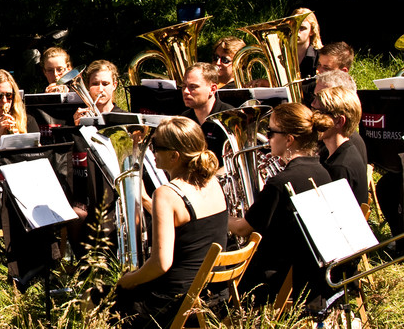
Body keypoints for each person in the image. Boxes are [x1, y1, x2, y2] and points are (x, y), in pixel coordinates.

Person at [114, 117, 227, 329]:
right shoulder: (213, 182)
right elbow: (189, 225)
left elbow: (161, 264)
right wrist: (147, 201)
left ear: (174, 156)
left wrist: (128, 280)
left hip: (177, 304)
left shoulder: (167, 194)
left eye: (155, 147)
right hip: (216, 298)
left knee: (101, 298)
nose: (151, 152)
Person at [229, 102, 333, 304]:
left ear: (289, 139)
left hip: (277, 278)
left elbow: (242, 229)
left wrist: (221, 214)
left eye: (270, 132)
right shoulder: (322, 171)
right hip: (307, 271)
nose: (267, 138)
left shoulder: (280, 182)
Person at [314, 86, 368, 205]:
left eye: (319, 113)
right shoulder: (343, 151)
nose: (312, 119)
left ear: (339, 121)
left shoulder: (339, 168)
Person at [179, 63, 234, 166]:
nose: (186, 91)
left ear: (212, 89)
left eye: (193, 87)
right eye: (184, 86)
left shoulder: (230, 117)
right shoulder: (184, 119)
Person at [313, 69, 366, 164]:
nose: (313, 104)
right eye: (315, 97)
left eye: (322, 99)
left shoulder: (346, 144)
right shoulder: (329, 135)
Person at [72, 60, 125, 125]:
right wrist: (77, 128)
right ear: (88, 86)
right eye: (95, 84)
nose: (100, 89)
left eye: (105, 84)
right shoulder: (81, 118)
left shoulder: (126, 118)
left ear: (114, 85)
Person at [293, 8, 323, 79]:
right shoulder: (281, 56)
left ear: (312, 31)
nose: (297, 31)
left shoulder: (321, 56)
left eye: (302, 28)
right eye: (294, 27)